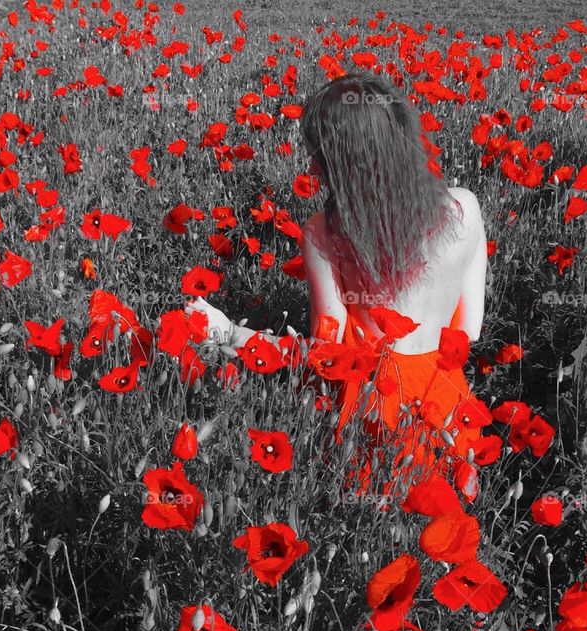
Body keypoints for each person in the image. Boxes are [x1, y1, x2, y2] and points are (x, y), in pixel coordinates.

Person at [185, 71, 489, 497]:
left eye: (319, 158)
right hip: (447, 413)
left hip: (370, 419)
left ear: (348, 163)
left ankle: (231, 334)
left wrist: (243, 338)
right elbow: (469, 331)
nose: (310, 167)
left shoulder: (323, 234)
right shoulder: (465, 209)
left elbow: (331, 349)